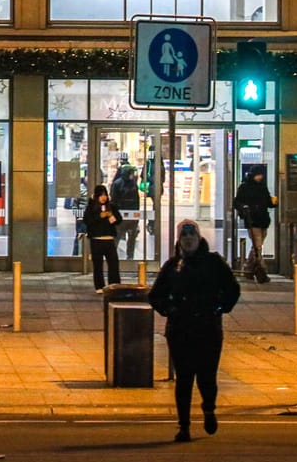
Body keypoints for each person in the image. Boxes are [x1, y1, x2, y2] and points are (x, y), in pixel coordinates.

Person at [149, 220, 240, 442]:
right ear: (179, 241)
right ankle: (184, 425)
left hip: (208, 328)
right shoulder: (173, 266)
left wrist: (220, 307)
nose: (188, 239)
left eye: (192, 235)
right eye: (184, 236)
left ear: (199, 238)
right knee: (184, 379)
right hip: (181, 330)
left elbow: (232, 289)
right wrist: (169, 309)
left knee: (207, 376)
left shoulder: (213, 263)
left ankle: (208, 408)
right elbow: (155, 295)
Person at [231, 171, 274, 283]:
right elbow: (237, 202)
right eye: (258, 174)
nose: (260, 176)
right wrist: (244, 210)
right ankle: (262, 270)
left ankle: (248, 268)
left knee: (257, 246)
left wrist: (273, 203)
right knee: (257, 246)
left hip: (263, 220)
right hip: (252, 220)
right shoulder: (245, 187)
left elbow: (268, 202)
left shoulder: (262, 187)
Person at [83, 183, 121, 290]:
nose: (103, 198)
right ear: (96, 196)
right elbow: (88, 221)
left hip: (109, 239)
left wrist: (111, 216)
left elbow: (118, 220)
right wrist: (99, 216)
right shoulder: (91, 207)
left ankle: (114, 285)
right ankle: (99, 286)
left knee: (113, 263)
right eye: (101, 195)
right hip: (96, 240)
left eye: (105, 195)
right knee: (98, 264)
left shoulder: (111, 206)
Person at [111, 156, 143, 259]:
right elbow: (114, 200)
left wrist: (137, 214)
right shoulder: (117, 184)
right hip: (121, 214)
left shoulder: (133, 184)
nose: (133, 176)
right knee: (118, 236)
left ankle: (130, 256)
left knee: (131, 236)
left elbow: (137, 199)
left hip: (132, 215)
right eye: (131, 174)